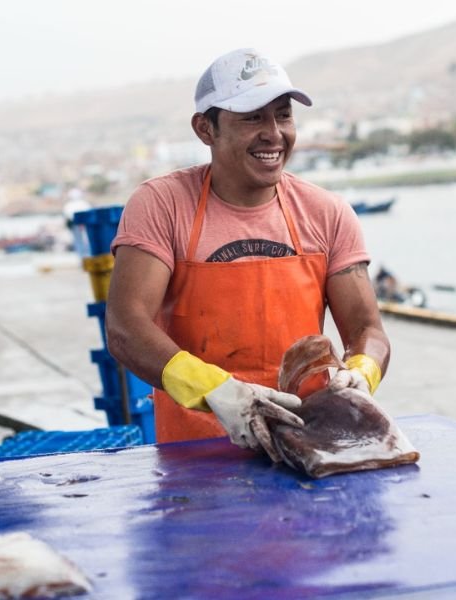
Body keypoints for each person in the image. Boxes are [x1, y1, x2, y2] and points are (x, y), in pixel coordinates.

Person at [105, 48, 390, 458]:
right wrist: (218, 392)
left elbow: (368, 329)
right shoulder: (162, 204)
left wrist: (363, 372)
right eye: (252, 117)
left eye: (283, 115)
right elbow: (125, 327)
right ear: (206, 129)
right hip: (196, 455)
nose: (273, 133)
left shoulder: (327, 213)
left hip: (307, 447)